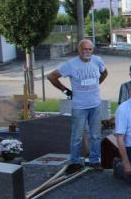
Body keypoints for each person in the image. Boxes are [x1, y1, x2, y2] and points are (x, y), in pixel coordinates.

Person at [46, 39, 108, 168]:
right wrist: (66, 91)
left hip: (95, 105)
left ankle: (94, 161)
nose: (87, 52)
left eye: (90, 49)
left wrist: (96, 84)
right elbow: (51, 76)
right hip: (79, 106)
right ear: (79, 50)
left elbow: (105, 73)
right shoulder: (71, 64)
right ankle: (74, 162)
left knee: (96, 135)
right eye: (84, 49)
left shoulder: (97, 60)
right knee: (77, 137)